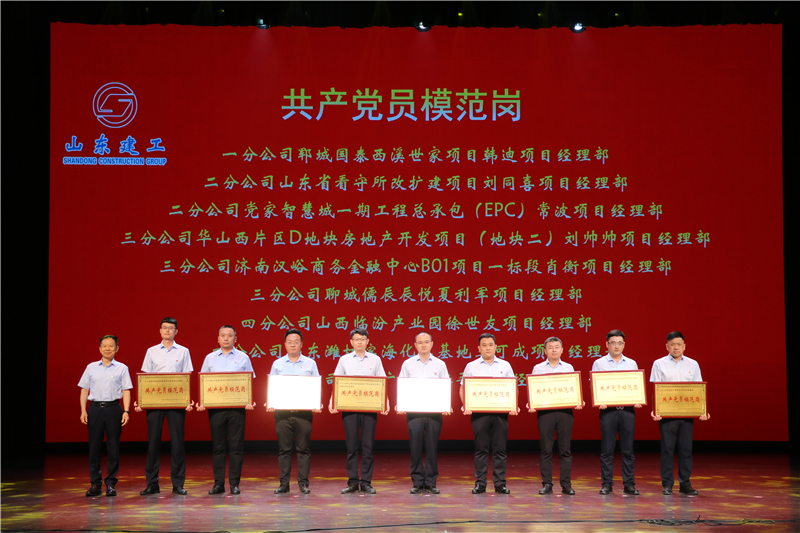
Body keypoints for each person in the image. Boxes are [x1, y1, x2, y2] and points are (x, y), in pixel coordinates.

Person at [135, 317, 194, 496]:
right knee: (153, 444)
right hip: (155, 403)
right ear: (160, 330)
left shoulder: (183, 351)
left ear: (176, 331)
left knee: (177, 444)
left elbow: (186, 377)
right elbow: (145, 378)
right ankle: (152, 483)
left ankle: (178, 484)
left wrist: (187, 401)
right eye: (164, 327)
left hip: (176, 402)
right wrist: (141, 401)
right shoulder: (151, 351)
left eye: (171, 328)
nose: (167, 330)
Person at [329, 328, 389, 495]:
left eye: (362, 339)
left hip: (370, 408)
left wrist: (385, 402)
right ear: (351, 342)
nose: (360, 342)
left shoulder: (375, 359)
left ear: (367, 341)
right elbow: (337, 382)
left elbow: (382, 382)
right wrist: (332, 401)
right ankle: (353, 482)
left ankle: (367, 482)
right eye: (356, 339)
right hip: (349, 408)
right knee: (352, 447)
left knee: (368, 447)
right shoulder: (344, 359)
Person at [197, 325, 256, 495]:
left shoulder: (243, 357)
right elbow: (204, 382)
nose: (226, 338)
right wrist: (203, 402)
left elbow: (249, 382)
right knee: (218, 447)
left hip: (237, 409)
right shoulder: (210, 358)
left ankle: (235, 484)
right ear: (218, 338)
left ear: (235, 339)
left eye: (229, 335)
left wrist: (249, 401)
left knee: (236, 447)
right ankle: (219, 484)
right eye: (222, 335)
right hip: (216, 410)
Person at [650, 331, 710, 496]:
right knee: (667, 449)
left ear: (684, 346)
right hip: (666, 415)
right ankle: (667, 484)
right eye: (672, 344)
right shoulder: (659, 364)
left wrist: (702, 411)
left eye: (679, 344)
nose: (675, 347)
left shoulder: (693, 364)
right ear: (667, 346)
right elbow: (656, 389)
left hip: (687, 414)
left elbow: (699, 390)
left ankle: (685, 484)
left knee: (686, 450)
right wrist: (655, 410)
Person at [460, 333, 518, 495]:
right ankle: (480, 483)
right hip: (479, 414)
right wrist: (466, 405)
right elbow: (463, 387)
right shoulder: (471, 366)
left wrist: (513, 405)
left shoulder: (505, 365)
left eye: (490, 345)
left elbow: (513, 387)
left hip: (500, 413)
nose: (487, 348)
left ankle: (500, 484)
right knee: (481, 449)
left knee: (500, 449)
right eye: (484, 345)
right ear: (479, 348)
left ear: (496, 347)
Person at [265, 328, 321, 494]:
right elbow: (271, 386)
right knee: (284, 450)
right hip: (282, 413)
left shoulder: (310, 363)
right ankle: (284, 484)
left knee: (304, 449)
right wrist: (270, 402)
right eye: (290, 342)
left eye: (296, 342)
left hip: (303, 413)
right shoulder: (277, 364)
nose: (293, 345)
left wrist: (316, 403)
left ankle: (303, 484)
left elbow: (316, 386)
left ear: (301, 344)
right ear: (285, 344)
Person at [527, 336, 584, 495]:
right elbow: (534, 390)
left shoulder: (568, 367)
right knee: (546, 450)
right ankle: (547, 484)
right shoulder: (538, 368)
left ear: (562, 350)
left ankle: (566, 484)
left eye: (557, 347)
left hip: (565, 413)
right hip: (545, 413)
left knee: (565, 450)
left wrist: (578, 400)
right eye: (550, 347)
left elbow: (573, 389)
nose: (554, 350)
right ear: (545, 350)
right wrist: (532, 403)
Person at [397, 332, 452, 494]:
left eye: (426, 342)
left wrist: (446, 405)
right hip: (414, 411)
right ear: (415, 345)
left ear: (432, 344)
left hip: (434, 412)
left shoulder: (440, 364)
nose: (423, 345)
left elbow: (445, 386)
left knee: (432, 447)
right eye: (420, 342)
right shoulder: (408, 364)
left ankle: (430, 482)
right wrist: (401, 404)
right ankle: (417, 482)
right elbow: (402, 386)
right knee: (415, 447)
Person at [78, 335, 132, 497]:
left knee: (113, 447)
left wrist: (126, 411)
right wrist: (83, 410)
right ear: (100, 348)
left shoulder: (122, 368)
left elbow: (126, 391)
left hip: (114, 409)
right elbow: (84, 390)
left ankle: (110, 483)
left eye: (111, 346)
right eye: (104, 346)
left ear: (117, 349)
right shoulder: (91, 367)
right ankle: (95, 483)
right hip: (95, 409)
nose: (107, 348)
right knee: (94, 447)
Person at [591, 329, 642, 495]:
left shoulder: (631, 364)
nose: (616, 346)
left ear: (624, 345)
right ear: (607, 345)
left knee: (628, 450)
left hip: (627, 412)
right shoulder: (599, 363)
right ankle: (607, 484)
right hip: (608, 412)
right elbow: (595, 386)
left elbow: (636, 386)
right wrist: (599, 400)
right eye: (613, 343)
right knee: (607, 450)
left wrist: (638, 399)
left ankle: (629, 484)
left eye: (620, 343)